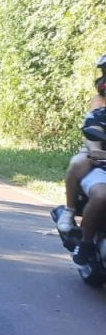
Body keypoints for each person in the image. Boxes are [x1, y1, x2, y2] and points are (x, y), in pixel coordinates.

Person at [56, 57, 106, 263]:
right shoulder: (100, 112)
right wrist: (96, 151)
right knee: (102, 195)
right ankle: (85, 245)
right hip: (101, 166)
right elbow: (93, 139)